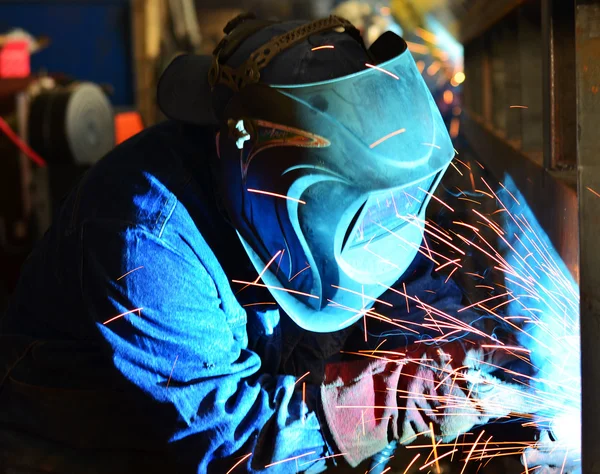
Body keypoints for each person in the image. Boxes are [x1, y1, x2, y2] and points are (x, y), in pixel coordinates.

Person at [0, 14, 531, 474]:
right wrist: (396, 397)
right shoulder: (145, 243)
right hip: (90, 449)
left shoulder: (346, 181)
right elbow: (235, 443)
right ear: (261, 168)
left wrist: (470, 357)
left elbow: (401, 277)